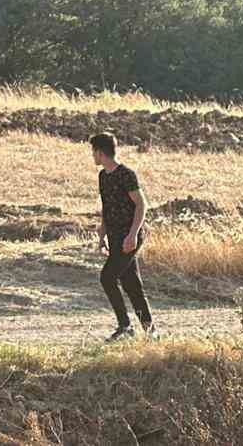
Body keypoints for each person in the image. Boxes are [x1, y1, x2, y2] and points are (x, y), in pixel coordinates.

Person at [92, 131, 154, 341]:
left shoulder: (126, 174)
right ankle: (151, 331)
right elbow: (106, 207)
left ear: (100, 152)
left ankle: (125, 327)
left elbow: (141, 204)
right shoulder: (103, 176)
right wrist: (102, 235)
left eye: (94, 152)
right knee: (132, 285)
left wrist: (133, 235)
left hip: (130, 236)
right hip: (116, 237)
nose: (93, 156)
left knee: (107, 277)